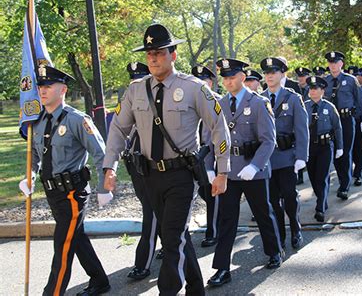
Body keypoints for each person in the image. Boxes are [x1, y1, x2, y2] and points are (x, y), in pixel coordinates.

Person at [103, 23, 231, 295]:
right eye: (149, 52)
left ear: (173, 55)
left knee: (171, 239)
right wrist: (109, 165)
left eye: (159, 52)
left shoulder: (194, 88)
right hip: (149, 177)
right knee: (176, 236)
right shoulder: (136, 90)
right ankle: (196, 288)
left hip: (181, 176)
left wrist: (222, 171)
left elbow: (219, 126)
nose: (152, 57)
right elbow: (118, 128)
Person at [19, 65, 111, 296]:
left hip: (73, 194)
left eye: (49, 86)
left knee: (63, 246)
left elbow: (101, 153)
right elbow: (36, 155)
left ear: (63, 90)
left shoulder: (77, 120)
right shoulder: (37, 121)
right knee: (75, 237)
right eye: (40, 86)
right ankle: (100, 281)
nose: (42, 90)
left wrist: (103, 186)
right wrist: (30, 174)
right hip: (52, 194)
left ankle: (52, 292)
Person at [208, 58, 283, 287]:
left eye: (233, 77)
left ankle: (274, 251)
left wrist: (255, 166)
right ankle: (222, 268)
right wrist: (211, 167)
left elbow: (269, 140)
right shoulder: (218, 104)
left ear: (242, 77)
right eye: (225, 78)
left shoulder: (258, 103)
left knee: (263, 214)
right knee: (226, 219)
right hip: (228, 172)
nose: (229, 82)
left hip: (253, 171)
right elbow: (209, 140)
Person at [261, 57, 309, 249]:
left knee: (289, 196)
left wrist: (301, 157)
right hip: (267, 159)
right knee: (273, 201)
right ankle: (279, 234)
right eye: (267, 73)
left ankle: (295, 228)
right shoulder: (259, 99)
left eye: (273, 72)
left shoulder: (293, 98)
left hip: (288, 156)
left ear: (282, 74)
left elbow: (302, 129)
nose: (269, 76)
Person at [121, 62, 163, 281]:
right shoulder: (130, 100)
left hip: (152, 166)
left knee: (152, 214)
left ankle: (143, 264)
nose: (134, 81)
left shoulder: (155, 101)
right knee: (159, 215)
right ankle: (172, 246)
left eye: (140, 77)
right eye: (132, 77)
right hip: (135, 165)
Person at [323, 51, 362, 200]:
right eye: (330, 63)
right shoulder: (325, 81)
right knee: (336, 153)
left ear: (341, 64)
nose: (333, 65)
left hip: (347, 120)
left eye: (336, 62)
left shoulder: (350, 80)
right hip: (331, 122)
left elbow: (360, 101)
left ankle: (344, 186)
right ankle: (343, 179)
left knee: (346, 152)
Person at [304, 76, 343, 222]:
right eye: (311, 88)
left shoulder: (329, 107)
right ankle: (322, 197)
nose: (312, 91)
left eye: (316, 88)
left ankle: (320, 208)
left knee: (322, 176)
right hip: (309, 147)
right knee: (313, 177)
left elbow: (337, 128)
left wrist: (340, 147)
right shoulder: (304, 106)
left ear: (322, 90)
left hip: (325, 146)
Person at [191, 64, 222, 247]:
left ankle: (213, 231)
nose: (200, 84)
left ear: (210, 83)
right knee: (203, 191)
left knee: (212, 194)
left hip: (213, 154)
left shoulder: (218, 101)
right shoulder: (188, 101)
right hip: (194, 155)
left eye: (203, 81)